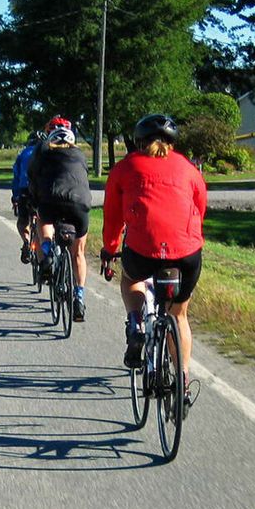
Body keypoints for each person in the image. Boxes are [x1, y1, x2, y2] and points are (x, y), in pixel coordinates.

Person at [100, 113, 208, 396]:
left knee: (131, 280)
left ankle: (136, 322)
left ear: (139, 142)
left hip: (142, 250)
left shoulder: (125, 168)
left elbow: (112, 216)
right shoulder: (188, 168)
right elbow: (200, 208)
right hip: (187, 253)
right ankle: (183, 382)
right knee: (179, 315)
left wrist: (110, 249)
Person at [27, 123, 93, 321]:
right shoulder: (80, 155)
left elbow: (33, 178)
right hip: (80, 204)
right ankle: (79, 296)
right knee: (78, 253)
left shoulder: (44, 154)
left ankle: (47, 250)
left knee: (43, 221)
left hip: (51, 201)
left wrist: (33, 201)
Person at [10, 132, 43, 263]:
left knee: (22, 222)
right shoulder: (46, 153)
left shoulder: (23, 154)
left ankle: (26, 242)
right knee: (44, 220)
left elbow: (16, 177)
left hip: (25, 190)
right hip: (41, 191)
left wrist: (15, 197)